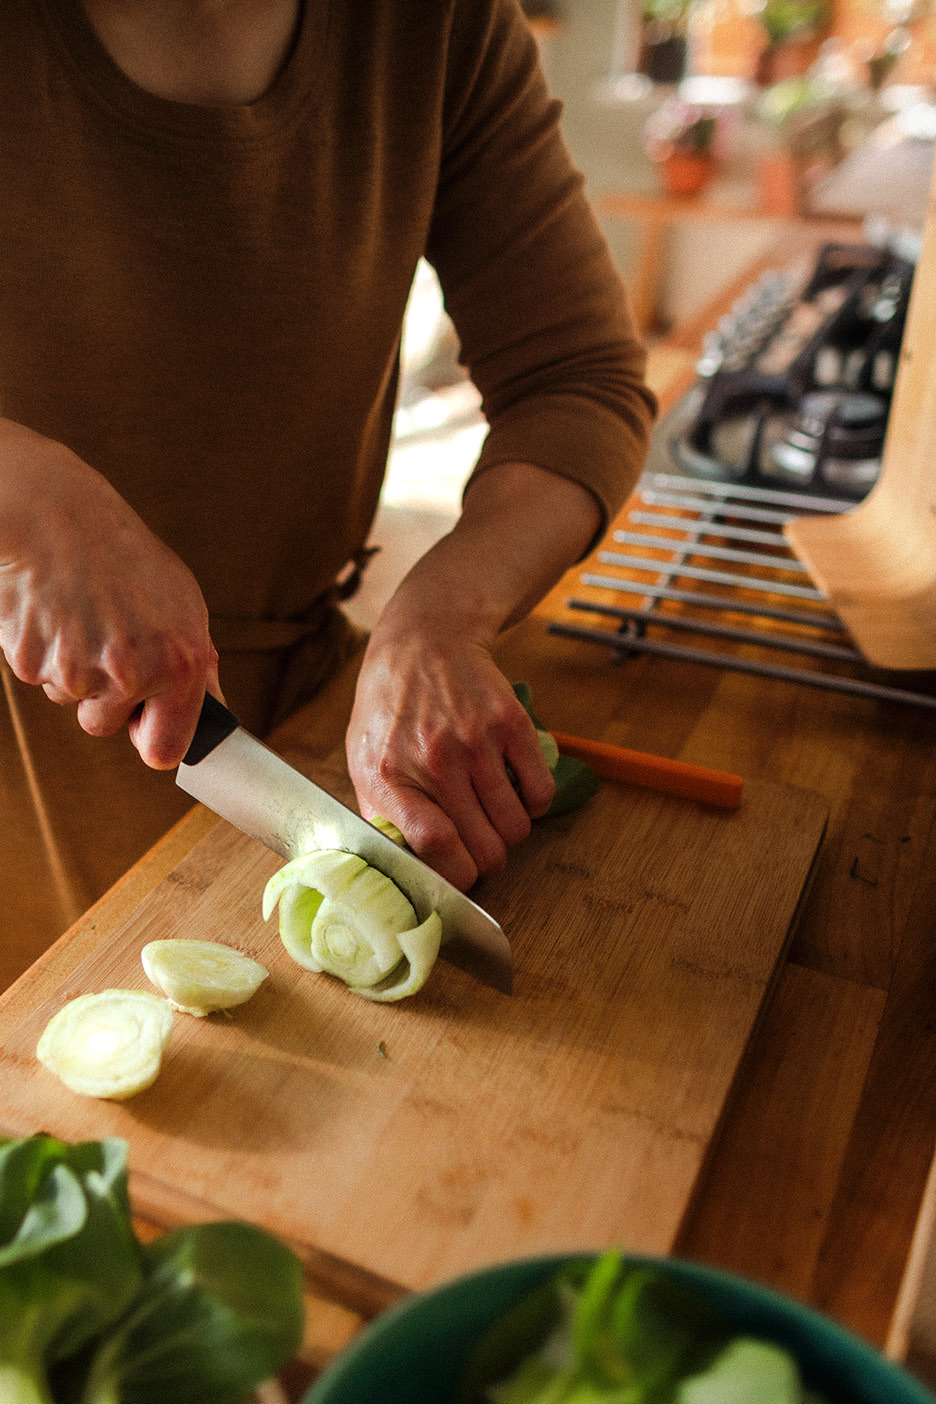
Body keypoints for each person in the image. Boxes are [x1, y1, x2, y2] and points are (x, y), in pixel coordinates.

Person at [0, 0, 655, 986]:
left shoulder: (438, 25)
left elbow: (579, 380)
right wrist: (23, 491)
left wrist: (438, 620)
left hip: (290, 717)